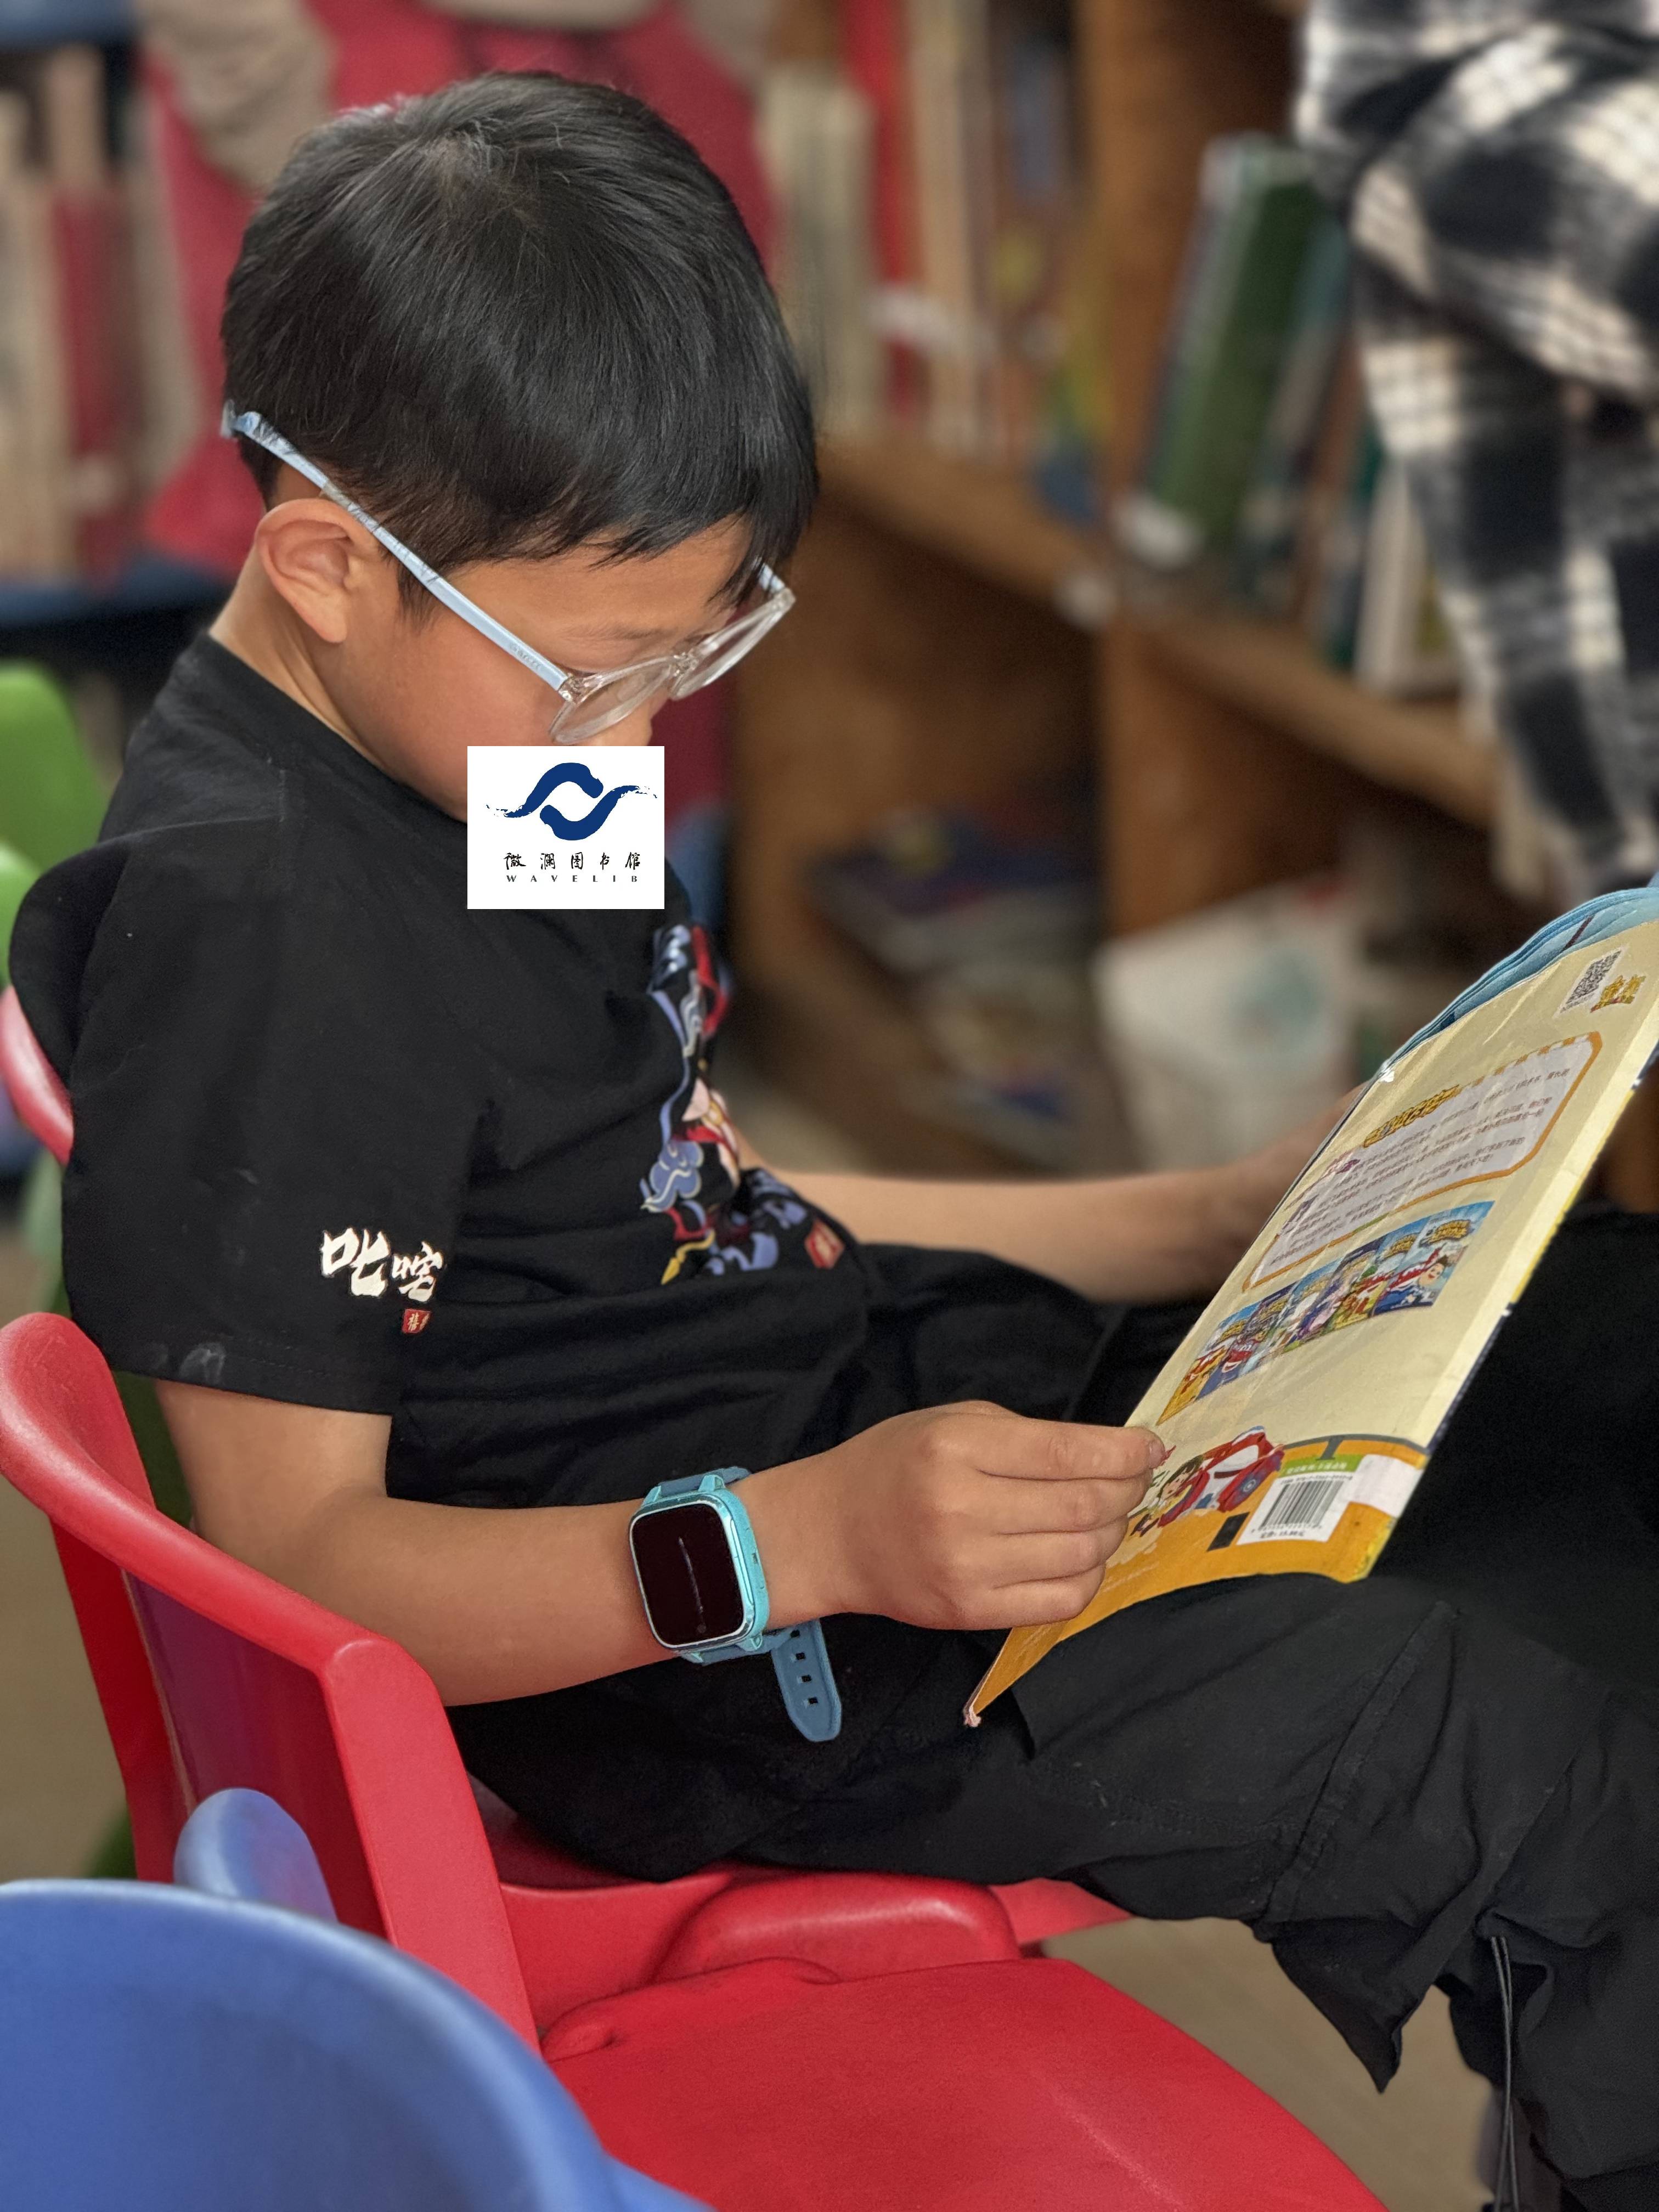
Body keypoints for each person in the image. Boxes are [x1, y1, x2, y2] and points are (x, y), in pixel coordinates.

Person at [12, 75, 1659, 2210]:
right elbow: (304, 1569)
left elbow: (676, 1186)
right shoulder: (261, 955)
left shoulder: (495, 739)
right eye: (610, 673)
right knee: (1540, 1760)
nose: (648, 732)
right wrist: (804, 1545)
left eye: (703, 648)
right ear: (328, 565)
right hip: (710, 1654)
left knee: (1597, 1347)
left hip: (853, 1423)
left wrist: (1212, 1218)